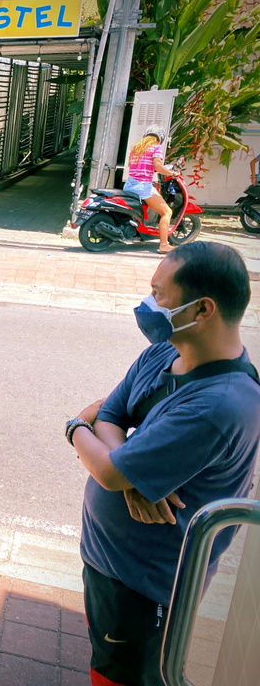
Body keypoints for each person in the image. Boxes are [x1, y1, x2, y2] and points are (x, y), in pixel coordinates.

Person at [66, 242, 260, 686]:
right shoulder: (167, 352)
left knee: (123, 677)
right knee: (106, 666)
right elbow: (114, 413)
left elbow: (109, 467)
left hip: (146, 588)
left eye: (159, 294)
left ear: (204, 308)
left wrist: (76, 427)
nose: (148, 304)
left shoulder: (220, 404)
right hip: (110, 564)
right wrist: (128, 471)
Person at [123, 126, 181, 254]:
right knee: (166, 212)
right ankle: (164, 245)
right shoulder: (156, 147)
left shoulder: (136, 147)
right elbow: (159, 167)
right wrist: (171, 173)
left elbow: (131, 165)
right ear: (160, 138)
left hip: (129, 184)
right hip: (143, 186)